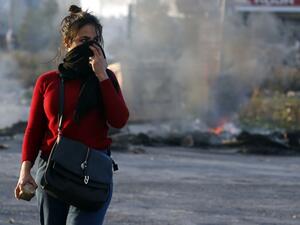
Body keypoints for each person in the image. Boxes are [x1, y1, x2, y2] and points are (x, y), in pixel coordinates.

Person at [14, 5, 129, 225]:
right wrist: (25, 171)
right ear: (68, 43)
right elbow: (34, 129)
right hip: (54, 171)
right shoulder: (48, 81)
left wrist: (102, 76)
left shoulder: (105, 77)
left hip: (93, 172)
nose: (90, 46)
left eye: (95, 40)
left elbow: (119, 119)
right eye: (83, 40)